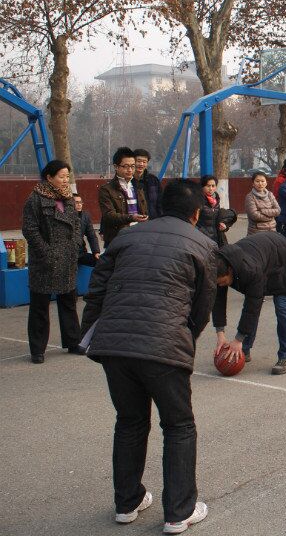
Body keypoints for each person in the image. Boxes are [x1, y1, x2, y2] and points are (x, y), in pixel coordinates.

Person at [79, 180, 217, 533]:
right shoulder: (202, 244)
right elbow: (203, 305)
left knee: (129, 421)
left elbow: (97, 289)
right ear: (196, 213)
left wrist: (92, 336)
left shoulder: (125, 237)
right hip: (164, 346)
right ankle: (179, 512)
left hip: (115, 345)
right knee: (179, 425)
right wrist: (185, 336)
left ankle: (127, 503)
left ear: (159, 207)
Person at [213, 231, 286, 374]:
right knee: (252, 305)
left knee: (282, 304)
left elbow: (252, 308)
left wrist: (237, 340)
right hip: (262, 253)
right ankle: (244, 349)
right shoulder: (218, 266)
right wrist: (220, 335)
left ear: (230, 271)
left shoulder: (250, 271)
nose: (222, 285)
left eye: (223, 281)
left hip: (280, 253)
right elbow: (217, 301)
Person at [22, 160, 83, 363]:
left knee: (68, 302)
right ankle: (37, 350)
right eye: (61, 176)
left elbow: (76, 224)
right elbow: (30, 229)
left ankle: (73, 341)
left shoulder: (68, 197)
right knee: (40, 306)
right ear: (49, 177)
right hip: (45, 261)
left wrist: (75, 244)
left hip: (67, 258)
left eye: (67, 176)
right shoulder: (35, 199)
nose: (65, 180)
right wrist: (46, 252)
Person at [98, 147, 148, 247]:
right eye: (126, 166)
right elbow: (109, 215)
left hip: (139, 237)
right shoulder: (106, 189)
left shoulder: (138, 187)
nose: (130, 170)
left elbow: (144, 210)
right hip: (118, 239)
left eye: (132, 166)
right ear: (116, 167)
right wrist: (131, 218)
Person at [197, 175, 237, 248]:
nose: (211, 189)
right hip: (203, 239)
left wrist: (224, 226)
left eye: (213, 186)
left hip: (217, 238)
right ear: (202, 186)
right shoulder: (198, 200)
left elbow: (217, 218)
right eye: (208, 186)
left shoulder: (216, 199)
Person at [244, 171, 281, 235]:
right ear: (253, 183)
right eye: (257, 181)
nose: (260, 184)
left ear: (266, 183)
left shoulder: (270, 195)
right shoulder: (250, 197)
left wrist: (262, 211)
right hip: (256, 232)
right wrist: (271, 217)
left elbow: (278, 210)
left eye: (263, 181)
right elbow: (254, 215)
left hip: (272, 230)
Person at [132, 148, 162, 219]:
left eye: (144, 162)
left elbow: (160, 202)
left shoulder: (153, 180)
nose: (141, 164)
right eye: (138, 161)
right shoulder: (127, 181)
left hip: (153, 220)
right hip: (134, 220)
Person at [74, 193, 101, 267]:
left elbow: (91, 236)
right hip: (68, 255)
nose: (79, 205)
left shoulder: (85, 216)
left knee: (101, 262)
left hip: (81, 253)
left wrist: (96, 252)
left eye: (80, 202)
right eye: (76, 202)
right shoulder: (65, 217)